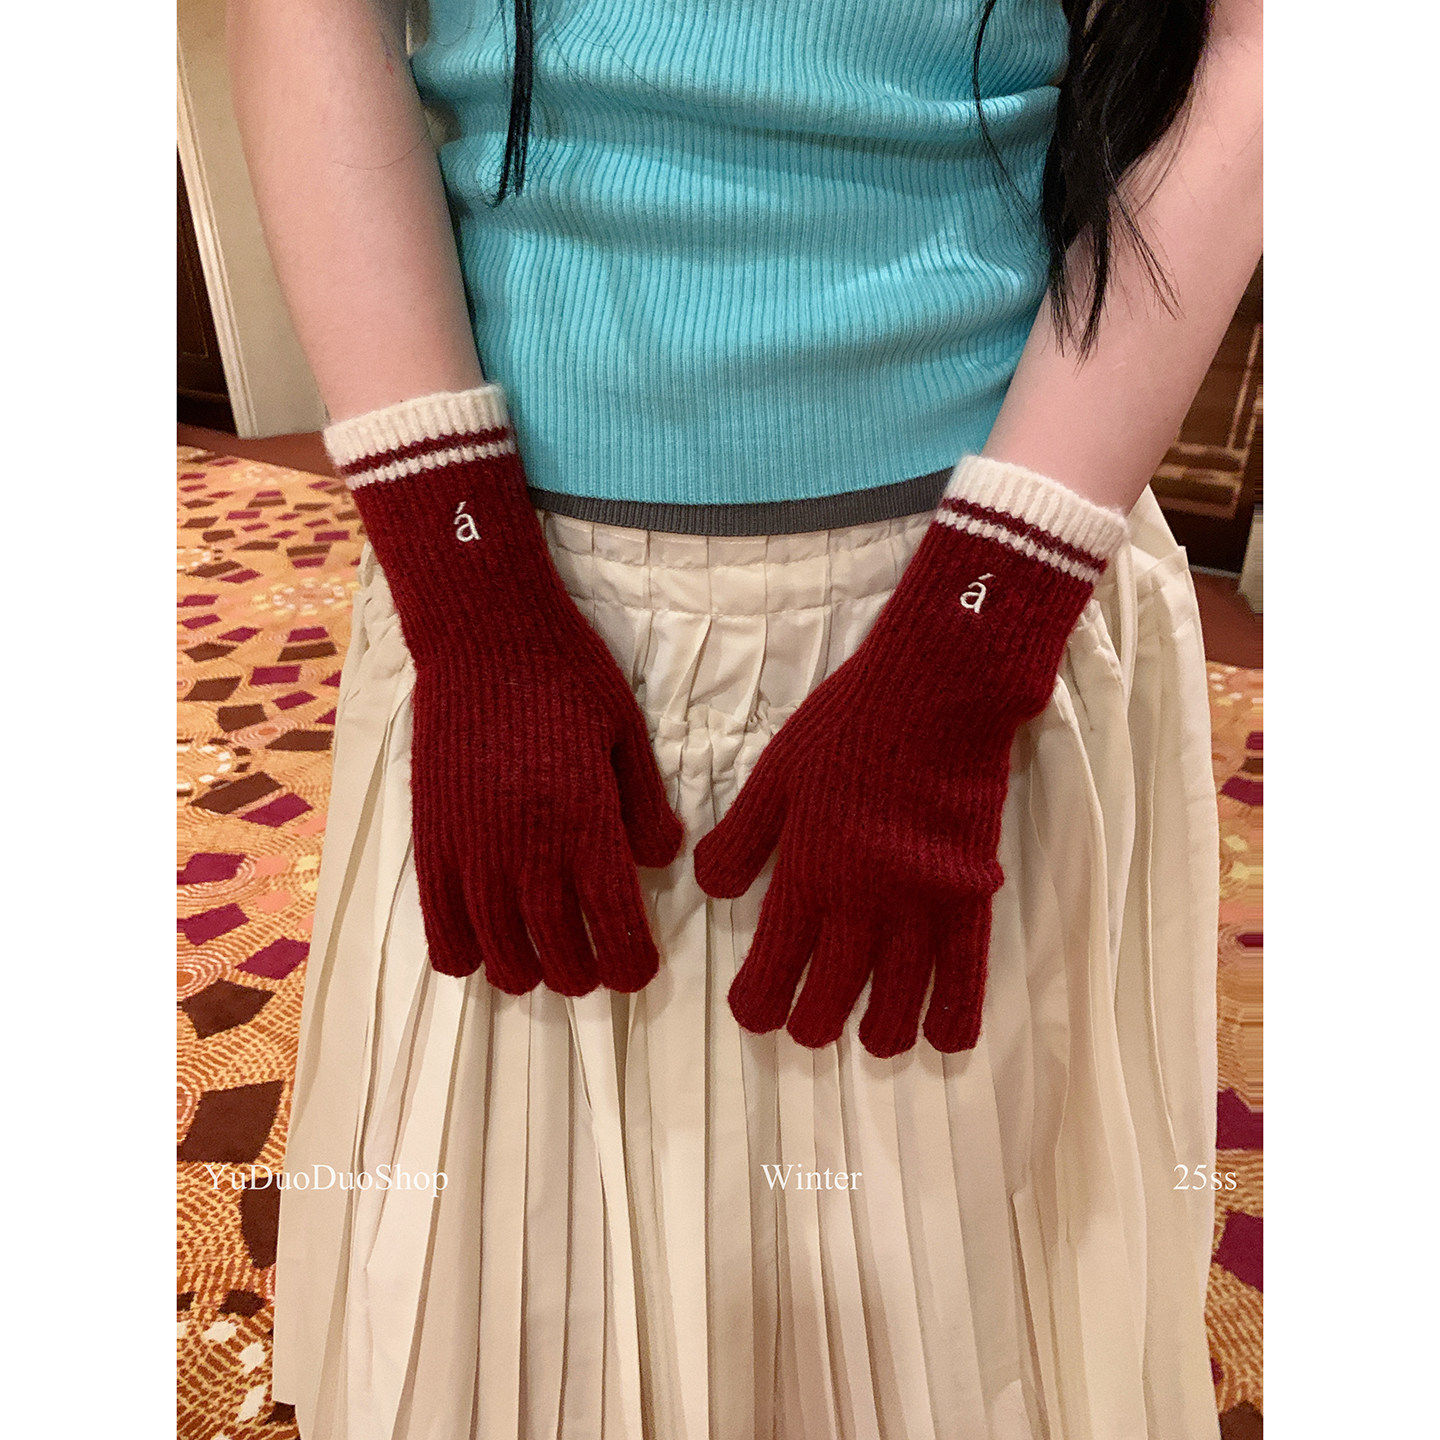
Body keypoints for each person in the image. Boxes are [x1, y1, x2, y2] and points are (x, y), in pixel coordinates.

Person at [227, 0, 1261, 1434]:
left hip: (986, 546)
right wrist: (473, 605)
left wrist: (969, 654)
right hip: (509, 562)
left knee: (954, 1288)